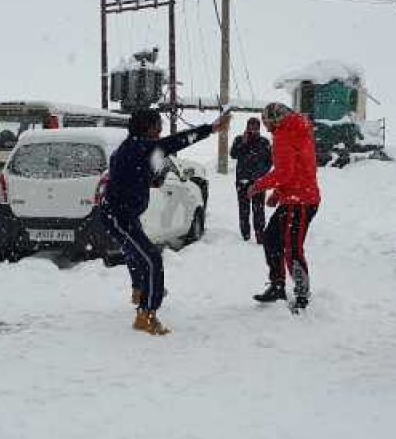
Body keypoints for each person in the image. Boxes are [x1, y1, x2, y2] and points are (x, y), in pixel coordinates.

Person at [100, 109, 230, 335]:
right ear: (147, 128)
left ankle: (140, 291)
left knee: (136, 253)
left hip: (120, 213)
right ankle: (146, 314)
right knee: (152, 259)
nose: (160, 130)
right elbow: (177, 141)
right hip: (118, 215)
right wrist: (211, 128)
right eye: (157, 126)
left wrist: (148, 180)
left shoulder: (132, 147)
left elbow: (133, 173)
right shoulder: (140, 147)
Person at [247, 102, 320, 312]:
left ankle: (301, 294)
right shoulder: (298, 131)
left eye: (266, 122)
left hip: (300, 201)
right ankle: (277, 285)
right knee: (271, 238)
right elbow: (298, 168)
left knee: (292, 247)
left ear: (275, 119)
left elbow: (284, 173)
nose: (265, 126)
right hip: (297, 197)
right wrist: (279, 194)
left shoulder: (284, 135)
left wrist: (258, 186)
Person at [229, 117, 272, 243]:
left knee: (259, 210)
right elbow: (233, 154)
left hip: (258, 182)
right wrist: (243, 143)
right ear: (246, 127)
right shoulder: (239, 139)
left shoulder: (264, 142)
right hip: (242, 181)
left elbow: (270, 162)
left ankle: (260, 234)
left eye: (255, 128)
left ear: (259, 128)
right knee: (244, 210)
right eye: (250, 127)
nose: (252, 130)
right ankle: (245, 235)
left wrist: (260, 176)